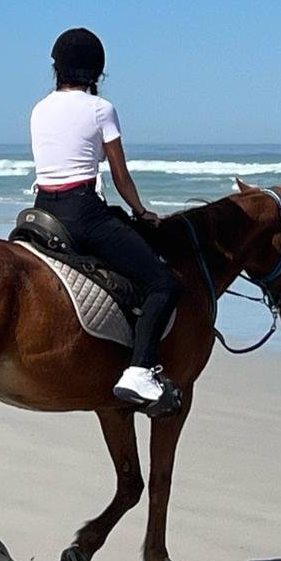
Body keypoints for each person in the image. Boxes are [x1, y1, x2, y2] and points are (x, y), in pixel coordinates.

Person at [30, 27, 183, 409]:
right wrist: (141, 211)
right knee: (163, 283)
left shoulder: (39, 108)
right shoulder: (101, 109)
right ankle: (140, 371)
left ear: (57, 68)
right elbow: (120, 175)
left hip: (42, 210)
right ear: (95, 72)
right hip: (83, 213)